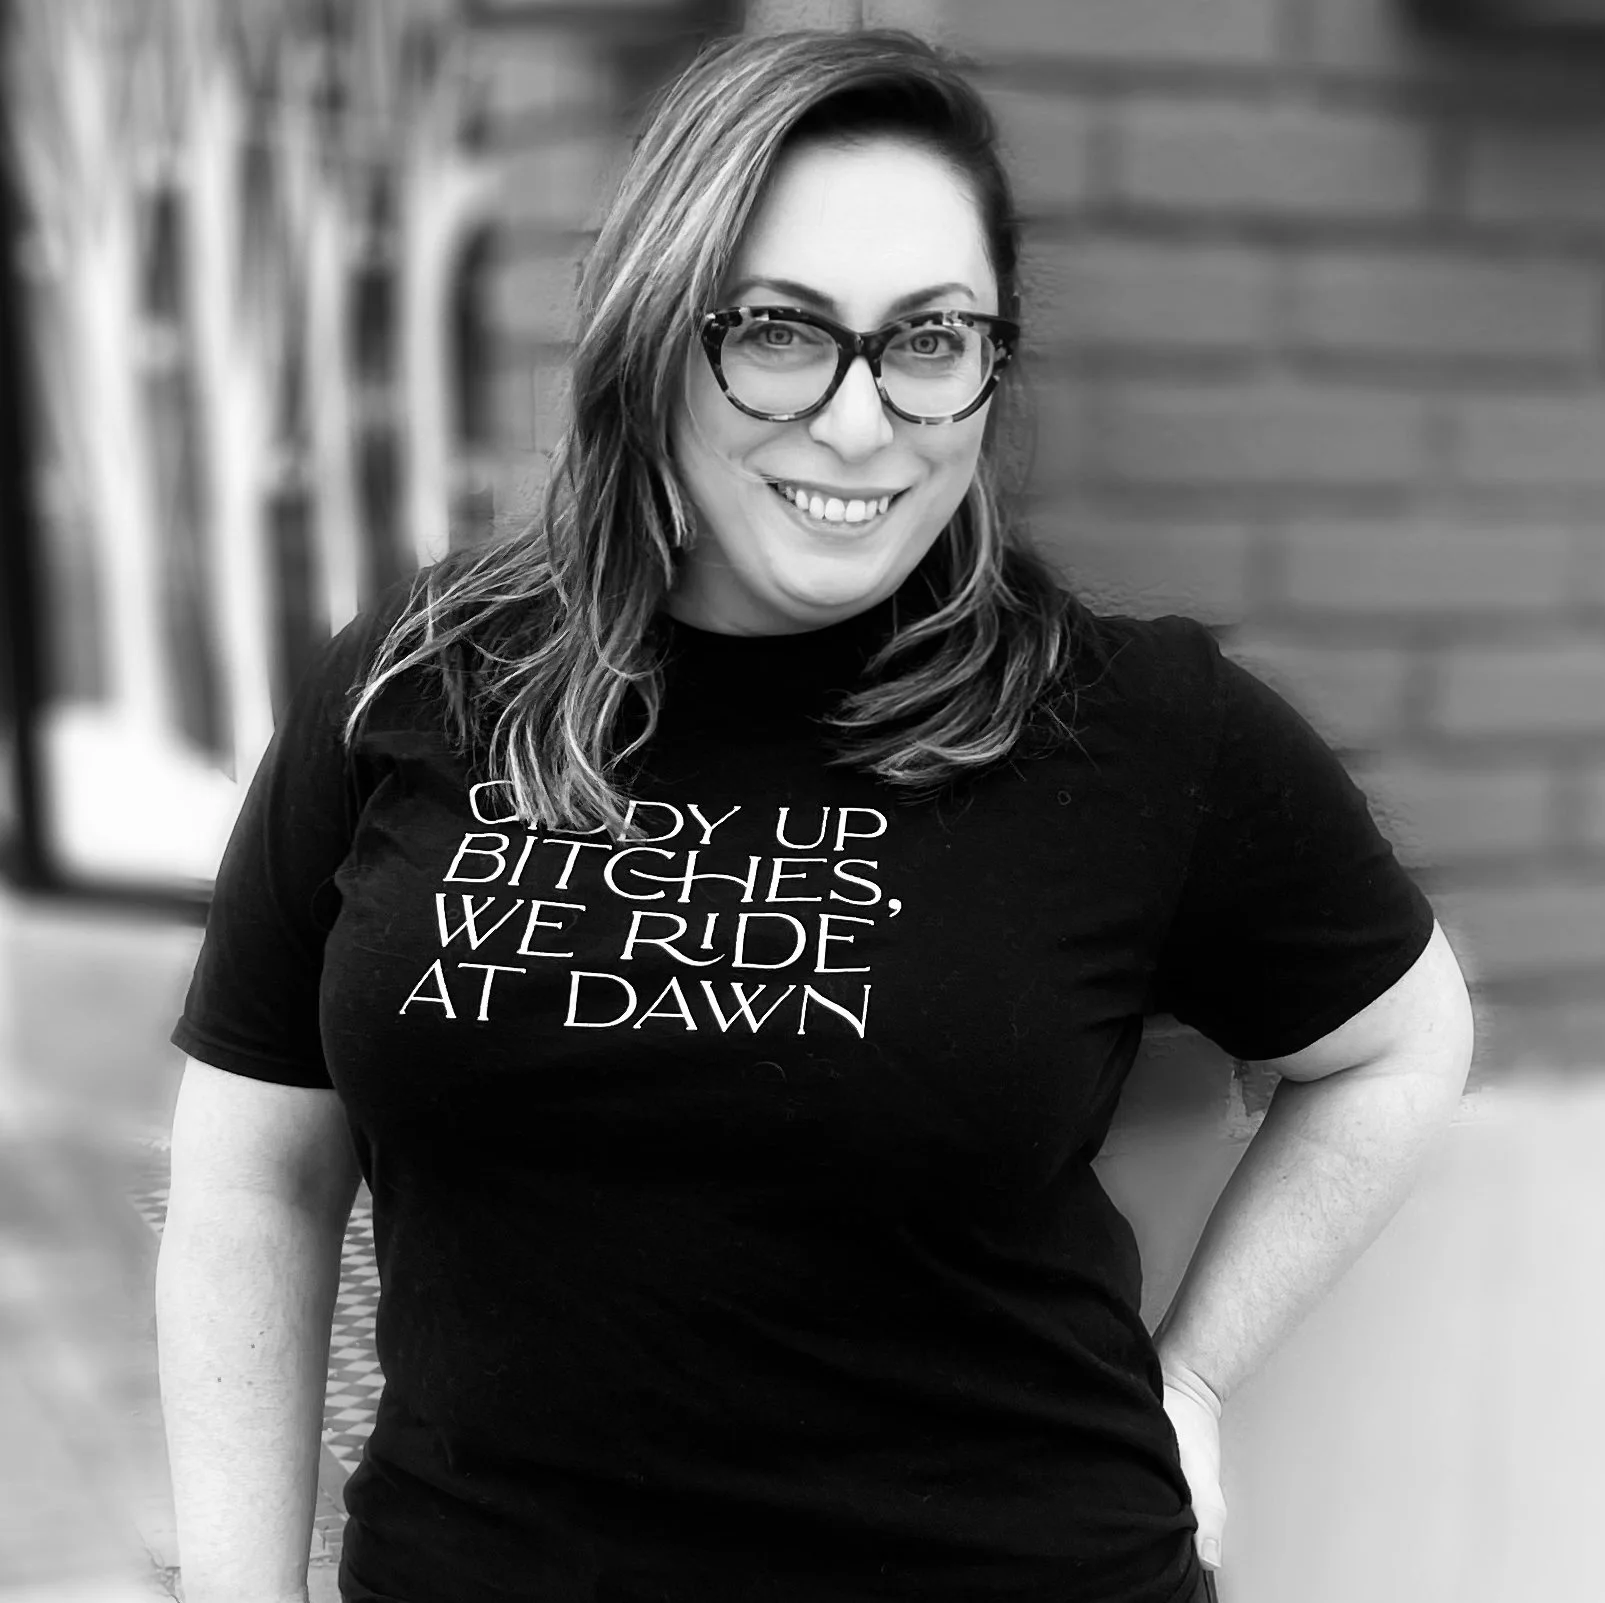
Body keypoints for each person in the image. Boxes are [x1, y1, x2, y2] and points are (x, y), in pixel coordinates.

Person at [155, 26, 1474, 1603]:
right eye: (779, 331)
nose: (862, 421)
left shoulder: (1132, 725)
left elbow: (1402, 1043)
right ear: (654, 330)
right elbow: (254, 1181)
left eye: (932, 339)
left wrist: (1187, 1374)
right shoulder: (418, 683)